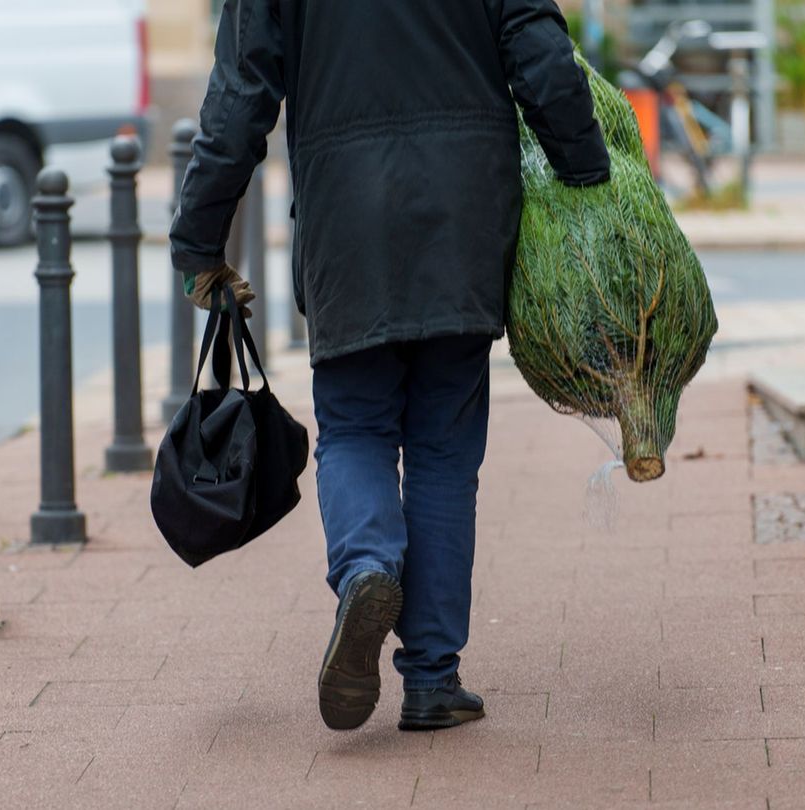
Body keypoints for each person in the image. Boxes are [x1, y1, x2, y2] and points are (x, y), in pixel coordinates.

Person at [170, 0, 610, 732]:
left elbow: (241, 94)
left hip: (346, 221)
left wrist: (199, 241)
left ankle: (368, 567)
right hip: (465, 217)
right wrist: (586, 172)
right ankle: (433, 679)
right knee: (443, 449)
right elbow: (542, 59)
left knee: (354, 429)